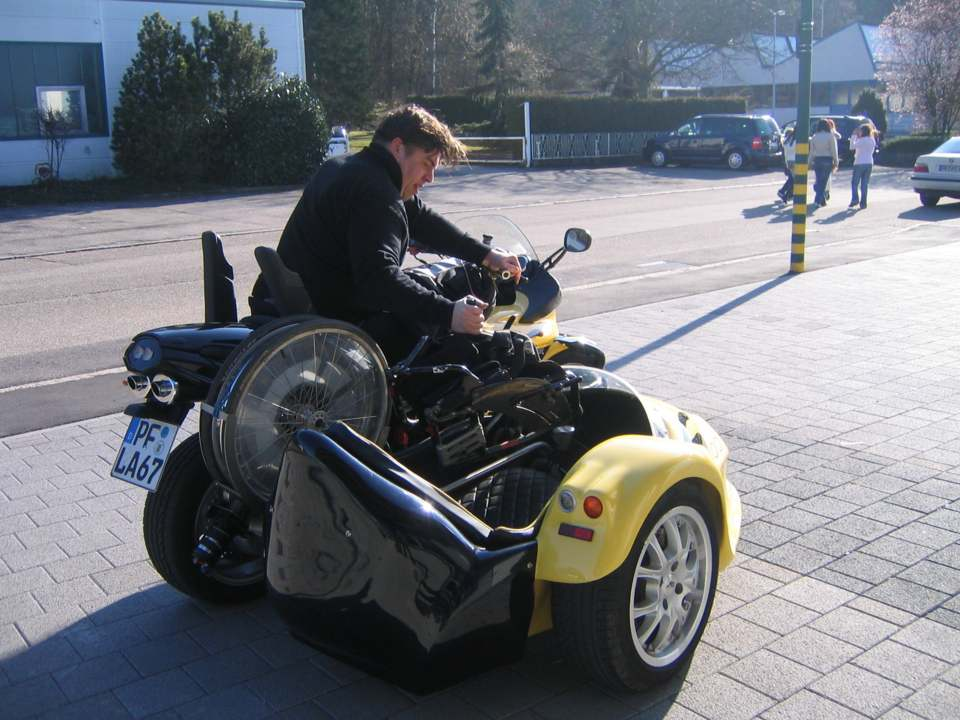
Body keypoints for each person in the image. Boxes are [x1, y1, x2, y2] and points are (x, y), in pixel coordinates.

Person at [250, 105, 521, 362]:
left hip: (298, 306)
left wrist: (485, 254)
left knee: (421, 293)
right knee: (438, 338)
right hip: (331, 326)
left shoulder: (352, 167)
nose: (430, 178)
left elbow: (420, 217)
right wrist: (450, 313)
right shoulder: (376, 192)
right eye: (427, 163)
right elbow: (379, 279)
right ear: (398, 148)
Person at [848, 123, 877, 209]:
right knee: (865, 184)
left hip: (859, 162)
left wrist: (853, 136)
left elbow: (851, 147)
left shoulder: (861, 140)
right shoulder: (872, 140)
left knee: (854, 183)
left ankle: (855, 199)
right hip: (869, 162)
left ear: (863, 132)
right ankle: (863, 203)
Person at [810, 119, 838, 206]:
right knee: (823, 182)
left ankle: (821, 200)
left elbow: (812, 151)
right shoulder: (830, 136)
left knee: (819, 181)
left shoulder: (814, 137)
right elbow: (834, 150)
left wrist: (809, 161)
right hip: (827, 159)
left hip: (817, 160)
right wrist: (836, 161)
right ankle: (818, 200)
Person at [777, 127, 796, 203]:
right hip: (795, 161)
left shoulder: (787, 141)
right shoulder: (796, 140)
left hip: (788, 161)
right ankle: (786, 194)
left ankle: (786, 194)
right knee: (794, 180)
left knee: (792, 179)